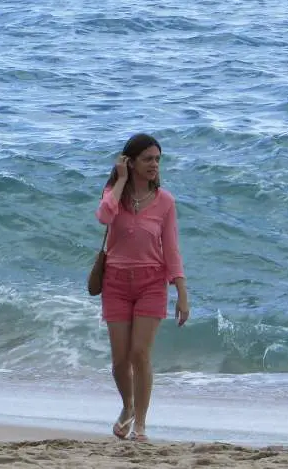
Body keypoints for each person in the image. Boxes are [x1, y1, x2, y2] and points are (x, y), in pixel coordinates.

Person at [95, 133, 189, 442]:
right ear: (130, 162)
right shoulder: (114, 194)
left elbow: (172, 249)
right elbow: (104, 215)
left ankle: (141, 424)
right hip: (116, 282)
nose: (154, 165)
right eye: (147, 159)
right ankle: (128, 407)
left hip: (152, 282)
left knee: (139, 353)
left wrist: (181, 292)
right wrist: (120, 180)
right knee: (120, 360)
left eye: (158, 159)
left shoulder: (166, 201)